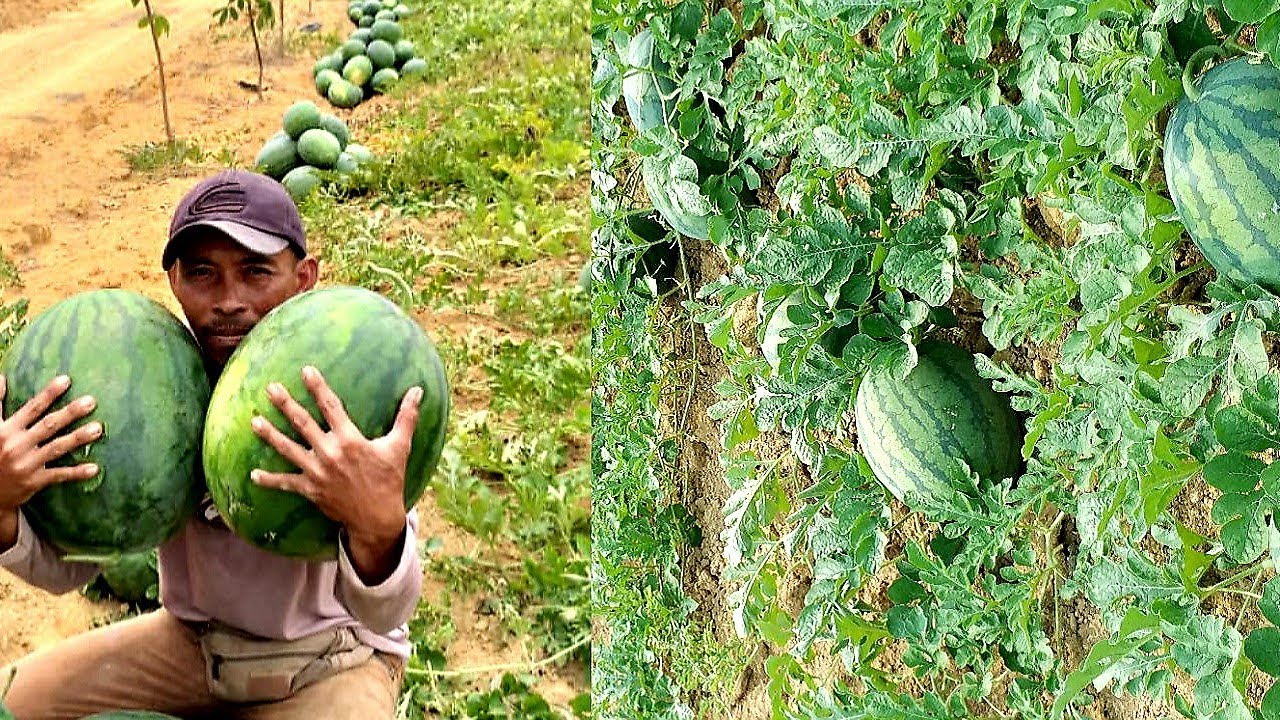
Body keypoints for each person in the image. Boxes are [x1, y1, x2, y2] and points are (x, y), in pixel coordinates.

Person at [0, 169, 426, 719]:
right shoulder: (152, 391)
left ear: (303, 278)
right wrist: (6, 502)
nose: (229, 301)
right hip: (196, 646)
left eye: (256, 272)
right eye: (204, 273)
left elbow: (387, 606)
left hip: (330, 660)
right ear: (174, 279)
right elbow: (70, 569)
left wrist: (378, 526)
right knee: (16, 705)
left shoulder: (335, 392)